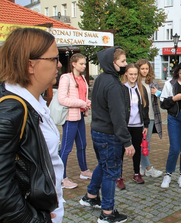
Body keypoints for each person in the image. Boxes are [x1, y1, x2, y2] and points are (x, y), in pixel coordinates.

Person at [0, 28, 64, 222]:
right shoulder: (12, 109)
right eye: (54, 59)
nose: (59, 65)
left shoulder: (35, 102)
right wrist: (33, 219)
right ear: (30, 65)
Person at [79, 47, 134, 223]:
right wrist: (127, 142)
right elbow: (117, 117)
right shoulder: (113, 84)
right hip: (109, 135)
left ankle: (91, 195)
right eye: (123, 62)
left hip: (97, 131)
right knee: (111, 172)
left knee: (104, 165)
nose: (126, 65)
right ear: (113, 63)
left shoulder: (101, 79)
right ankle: (107, 213)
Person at [58, 53, 92, 189]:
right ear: (73, 64)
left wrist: (87, 102)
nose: (84, 66)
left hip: (80, 116)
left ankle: (84, 171)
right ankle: (61, 177)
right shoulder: (66, 78)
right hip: (70, 118)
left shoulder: (82, 78)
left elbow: (83, 96)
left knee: (82, 144)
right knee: (66, 148)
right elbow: (62, 99)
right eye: (81, 64)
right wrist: (81, 103)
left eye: (84, 64)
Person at [160, 60, 181, 188]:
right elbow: (163, 103)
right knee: (175, 148)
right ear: (177, 71)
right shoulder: (170, 83)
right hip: (174, 117)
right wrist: (175, 98)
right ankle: (168, 174)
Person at [117, 63, 149, 189]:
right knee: (120, 151)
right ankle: (118, 176)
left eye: (135, 74)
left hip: (138, 124)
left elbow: (145, 107)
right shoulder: (121, 88)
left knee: (136, 150)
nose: (133, 76)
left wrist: (145, 124)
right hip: (125, 125)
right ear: (126, 73)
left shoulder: (141, 88)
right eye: (131, 74)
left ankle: (136, 173)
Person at [136, 59, 163, 178]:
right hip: (138, 117)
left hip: (151, 116)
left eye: (146, 68)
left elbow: (163, 96)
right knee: (142, 143)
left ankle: (143, 165)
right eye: (142, 68)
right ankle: (146, 167)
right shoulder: (135, 82)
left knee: (146, 143)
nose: (144, 71)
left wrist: (157, 93)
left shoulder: (152, 82)